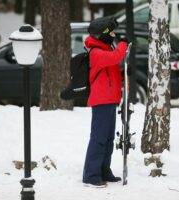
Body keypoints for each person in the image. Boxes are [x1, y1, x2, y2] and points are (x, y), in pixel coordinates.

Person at [82, 17, 129, 188]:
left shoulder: (106, 49)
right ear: (102, 35)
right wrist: (124, 44)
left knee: (108, 140)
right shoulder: (96, 52)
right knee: (98, 139)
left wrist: (123, 71)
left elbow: (113, 66)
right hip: (101, 100)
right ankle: (91, 175)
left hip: (110, 100)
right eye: (112, 33)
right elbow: (116, 57)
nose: (114, 36)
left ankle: (104, 171)